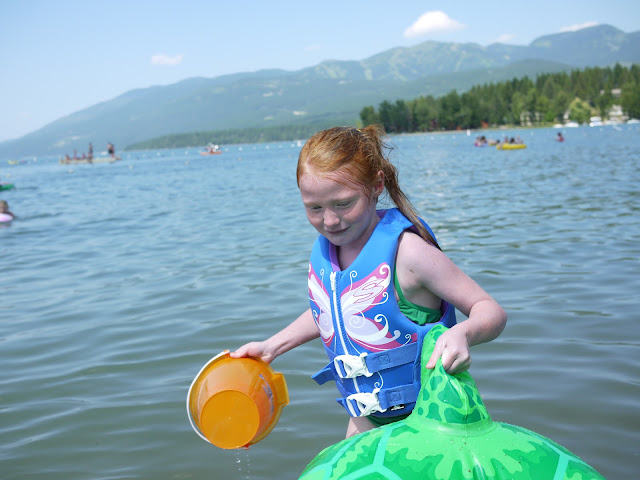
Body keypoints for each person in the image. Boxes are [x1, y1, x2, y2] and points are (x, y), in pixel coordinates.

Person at [231, 125, 507, 438]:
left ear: (376, 185)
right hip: (366, 420)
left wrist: (463, 333)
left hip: (433, 420)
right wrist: (272, 347)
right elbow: (336, 311)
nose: (330, 220)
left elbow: (491, 311)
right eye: (314, 208)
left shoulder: (409, 254)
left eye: (343, 203)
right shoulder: (330, 252)